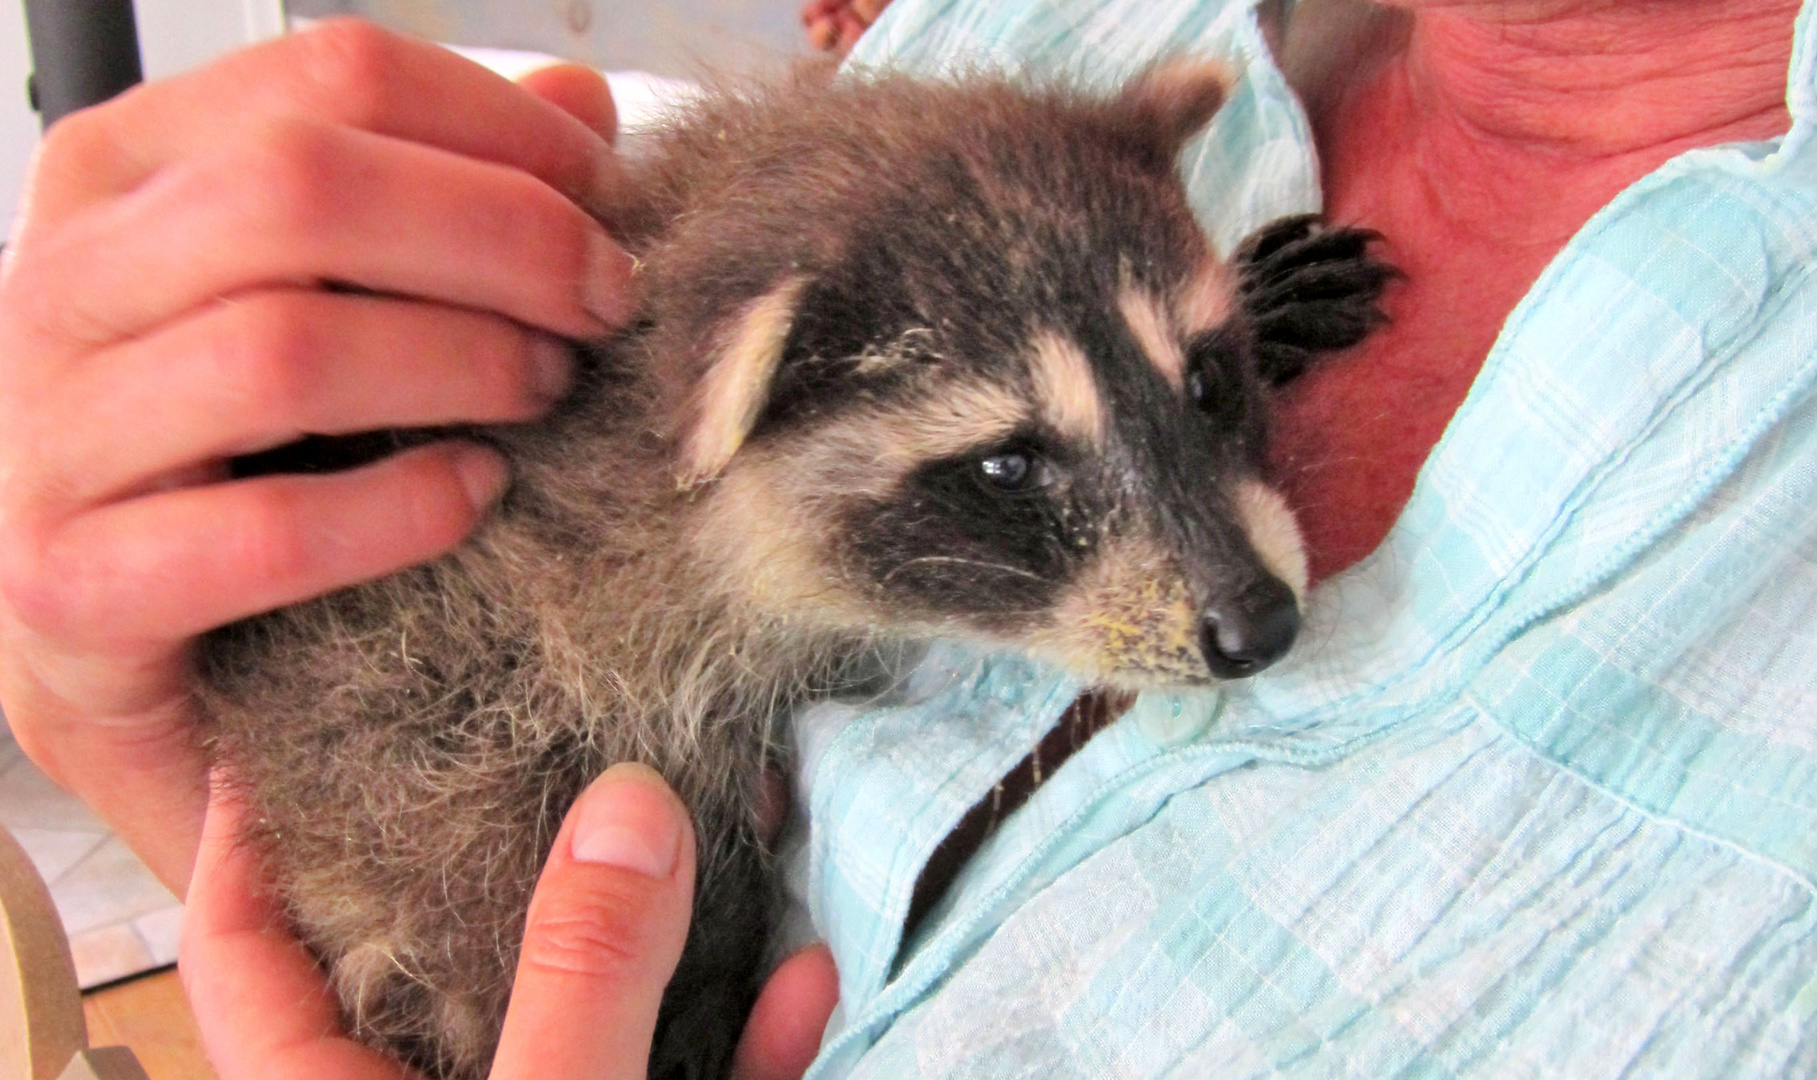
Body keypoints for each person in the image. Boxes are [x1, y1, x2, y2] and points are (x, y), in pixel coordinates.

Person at [1, 0, 1812, 1077]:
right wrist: (122, 675)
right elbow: (393, 868)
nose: (1236, 591)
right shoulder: (1049, 45)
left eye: (1207, 395)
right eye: (1016, 481)